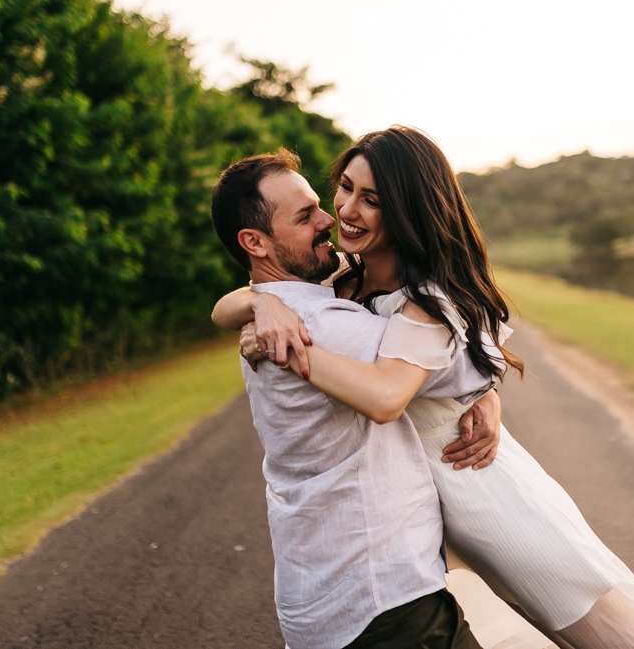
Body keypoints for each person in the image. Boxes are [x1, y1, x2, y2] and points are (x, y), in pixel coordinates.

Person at [215, 127, 634, 649]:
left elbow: (409, 384)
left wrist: (483, 394)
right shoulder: (339, 283)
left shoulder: (428, 300)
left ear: (407, 211)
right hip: (418, 501)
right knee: (506, 617)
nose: (344, 210)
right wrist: (261, 303)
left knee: (594, 616)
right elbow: (243, 298)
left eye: (371, 200)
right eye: (345, 187)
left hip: (475, 480)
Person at [210, 149, 499, 649]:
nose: (330, 218)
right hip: (385, 599)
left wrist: (255, 299)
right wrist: (487, 386)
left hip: (321, 600)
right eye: (305, 216)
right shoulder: (329, 327)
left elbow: (228, 306)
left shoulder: (282, 311)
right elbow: (460, 361)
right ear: (254, 241)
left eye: (320, 203)